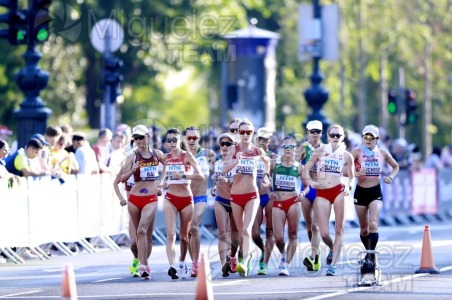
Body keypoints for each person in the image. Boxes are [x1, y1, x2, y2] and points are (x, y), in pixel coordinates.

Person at [222, 118, 270, 277]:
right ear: (238, 133)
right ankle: (244, 258)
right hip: (235, 196)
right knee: (238, 232)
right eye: (242, 132)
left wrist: (266, 176)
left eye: (248, 132)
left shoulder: (257, 151)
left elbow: (267, 161)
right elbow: (223, 169)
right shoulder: (233, 150)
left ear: (253, 133)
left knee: (246, 229)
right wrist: (236, 161)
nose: (245, 135)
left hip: (252, 195)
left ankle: (245, 259)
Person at [305, 125, 355, 276]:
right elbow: (306, 169)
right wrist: (310, 182)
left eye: (338, 135)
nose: (335, 138)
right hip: (322, 192)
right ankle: (333, 248)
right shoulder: (320, 151)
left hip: (338, 190)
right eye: (332, 135)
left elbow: (352, 177)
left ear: (342, 137)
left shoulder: (347, 155)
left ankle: (332, 266)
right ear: (327, 136)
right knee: (324, 232)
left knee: (339, 229)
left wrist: (349, 186)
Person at [351, 125, 399, 269]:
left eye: (371, 137)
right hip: (360, 192)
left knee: (373, 224)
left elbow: (396, 166)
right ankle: (369, 254)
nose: (368, 140)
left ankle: (370, 257)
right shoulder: (356, 152)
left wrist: (391, 177)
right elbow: (344, 170)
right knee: (364, 229)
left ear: (377, 139)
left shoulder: (382, 153)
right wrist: (358, 173)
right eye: (366, 137)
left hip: (375, 192)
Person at [120, 125, 165, 279]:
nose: (138, 140)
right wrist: (131, 170)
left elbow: (170, 164)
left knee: (143, 232)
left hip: (151, 198)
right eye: (136, 138)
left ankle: (145, 266)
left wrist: (162, 182)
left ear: (148, 137)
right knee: (135, 241)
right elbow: (121, 179)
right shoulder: (131, 157)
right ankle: (138, 260)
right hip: (134, 198)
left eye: (141, 137)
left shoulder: (157, 154)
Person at [161, 128, 204, 280]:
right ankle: (172, 266)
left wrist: (184, 175)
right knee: (171, 234)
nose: (172, 143)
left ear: (180, 140)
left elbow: (200, 175)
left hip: (186, 199)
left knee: (184, 238)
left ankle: (181, 262)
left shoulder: (187, 156)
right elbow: (163, 176)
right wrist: (162, 183)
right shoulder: (166, 158)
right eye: (169, 140)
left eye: (175, 140)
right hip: (170, 198)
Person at [295, 120, 331, 272]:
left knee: (316, 226)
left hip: (320, 190)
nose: (314, 134)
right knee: (310, 227)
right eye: (312, 132)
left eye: (317, 131)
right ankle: (315, 255)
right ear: (307, 133)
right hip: (306, 190)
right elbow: (294, 166)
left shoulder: (326, 149)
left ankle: (316, 254)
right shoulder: (303, 148)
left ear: (321, 133)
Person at [267, 136, 304, 276]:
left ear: (295, 149)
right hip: (278, 202)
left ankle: (285, 264)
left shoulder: (299, 167)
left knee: (293, 234)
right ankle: (283, 253)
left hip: (293, 201)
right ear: (281, 148)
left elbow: (306, 186)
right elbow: (265, 179)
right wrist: (268, 190)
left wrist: (303, 193)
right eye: (285, 147)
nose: (288, 149)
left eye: (291, 147)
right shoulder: (274, 164)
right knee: (279, 238)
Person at [183, 126, 216, 277]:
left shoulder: (208, 154)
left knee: (194, 226)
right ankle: (194, 263)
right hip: (184, 197)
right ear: (184, 139)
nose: (191, 141)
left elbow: (220, 171)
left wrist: (216, 184)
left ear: (199, 139)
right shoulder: (181, 156)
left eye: (194, 138)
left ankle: (195, 262)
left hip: (201, 197)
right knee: (187, 233)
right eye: (188, 138)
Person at [211, 133, 239, 277]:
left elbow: (240, 182)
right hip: (220, 200)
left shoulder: (238, 161)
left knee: (234, 236)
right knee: (222, 234)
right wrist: (215, 187)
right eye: (222, 144)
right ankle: (223, 265)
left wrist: (227, 181)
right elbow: (216, 178)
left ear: (234, 145)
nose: (225, 146)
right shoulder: (217, 161)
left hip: (235, 200)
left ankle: (233, 257)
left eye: (228, 144)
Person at [252, 127, 278, 275]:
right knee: (254, 233)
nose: (262, 142)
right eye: (260, 139)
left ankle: (265, 263)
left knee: (269, 230)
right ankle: (263, 250)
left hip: (269, 195)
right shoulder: (250, 155)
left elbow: (275, 171)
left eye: (265, 139)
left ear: (269, 140)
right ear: (256, 140)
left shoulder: (273, 157)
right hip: (254, 195)